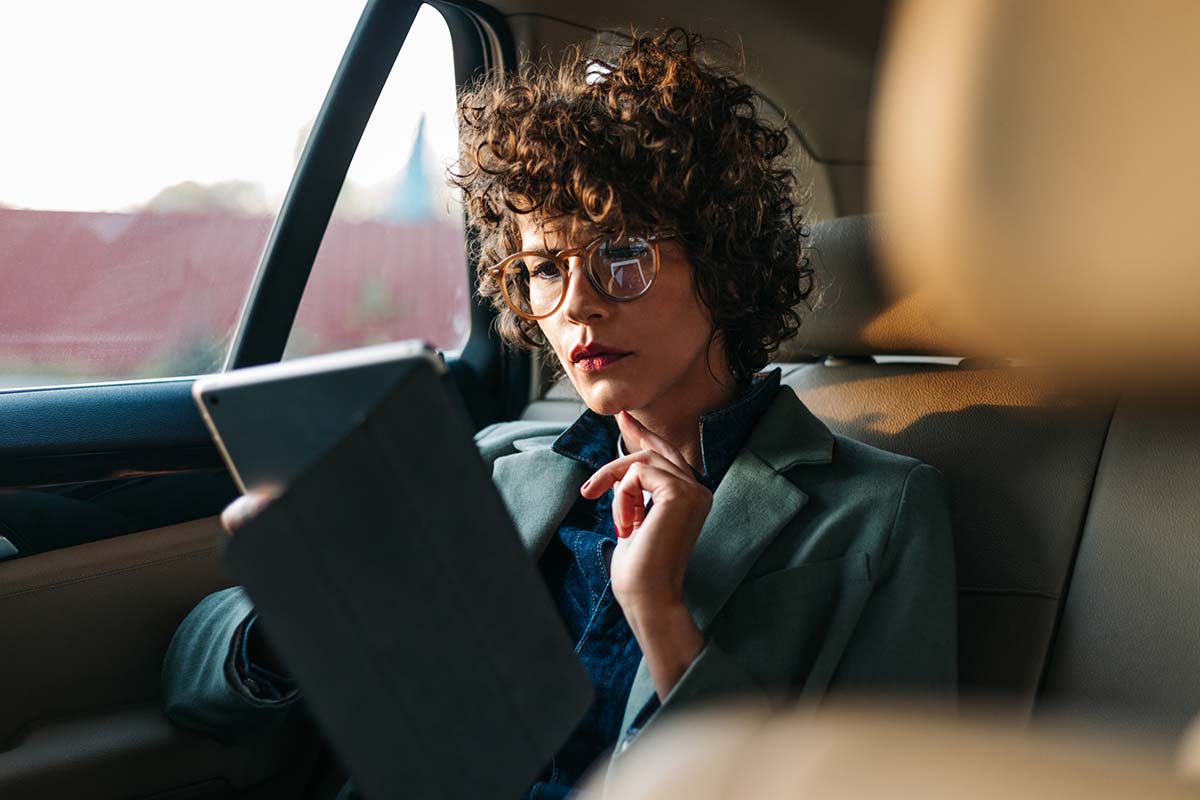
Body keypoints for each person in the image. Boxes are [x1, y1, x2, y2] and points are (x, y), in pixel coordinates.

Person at [161, 28, 956, 799]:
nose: (577, 305)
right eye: (543, 267)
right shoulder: (495, 464)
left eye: (622, 257)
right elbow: (198, 692)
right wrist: (310, 605)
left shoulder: (877, 510)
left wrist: (663, 619)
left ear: (725, 268)